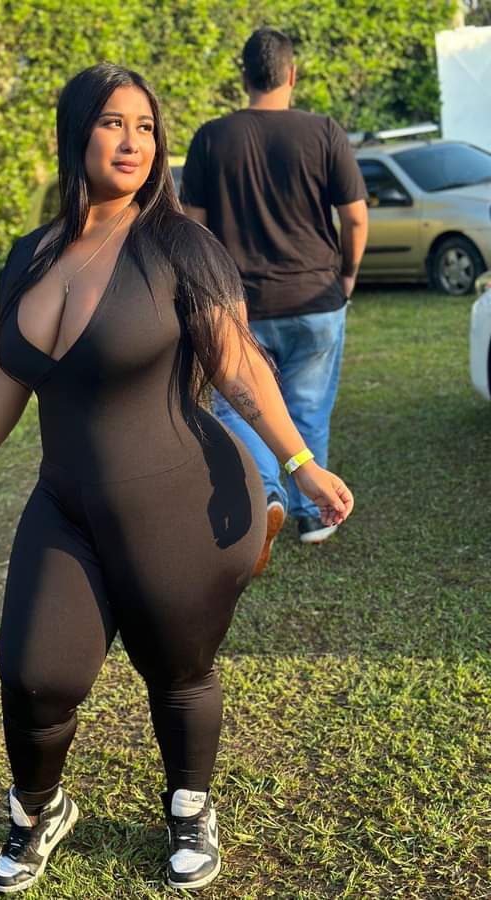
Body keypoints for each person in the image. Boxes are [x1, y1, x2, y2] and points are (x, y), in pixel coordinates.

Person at [0, 62, 354, 895]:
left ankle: (190, 809)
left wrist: (301, 462)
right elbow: (6, 374)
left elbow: (238, 366)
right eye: (113, 122)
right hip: (67, 505)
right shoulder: (32, 254)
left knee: (179, 672)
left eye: (146, 126)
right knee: (34, 674)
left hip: (176, 502)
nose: (133, 142)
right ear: (76, 132)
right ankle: (38, 810)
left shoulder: (180, 246)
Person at [181, 27, 368, 576]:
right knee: (308, 406)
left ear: (244, 76)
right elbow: (355, 217)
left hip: (236, 305)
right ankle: (315, 515)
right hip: (316, 295)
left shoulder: (211, 138)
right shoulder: (324, 131)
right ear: (292, 74)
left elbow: (194, 229)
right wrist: (348, 274)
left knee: (241, 406)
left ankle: (266, 494)